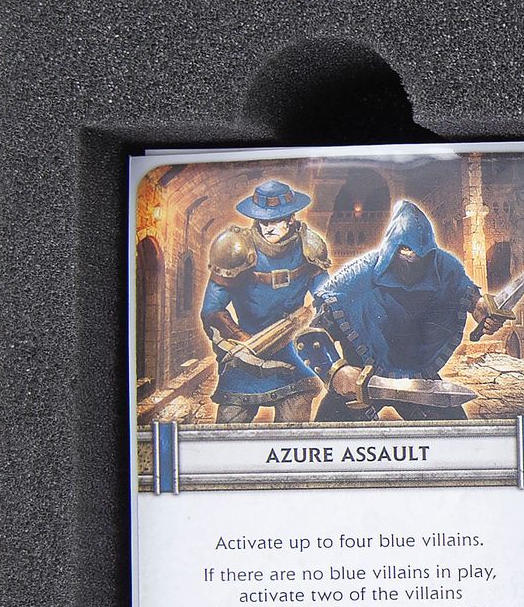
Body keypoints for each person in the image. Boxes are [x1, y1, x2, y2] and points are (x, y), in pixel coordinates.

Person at [298, 199, 508, 422]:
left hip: (418, 380)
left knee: (455, 436)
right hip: (362, 382)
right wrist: (336, 371)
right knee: (327, 435)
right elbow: (310, 337)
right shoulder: (356, 276)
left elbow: (466, 292)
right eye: (406, 250)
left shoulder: (443, 267)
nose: (413, 258)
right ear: (392, 248)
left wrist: (479, 307)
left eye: (422, 254)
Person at [200, 178, 328, 424]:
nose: (268, 227)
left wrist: (314, 324)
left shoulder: (309, 247)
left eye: (276, 220)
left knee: (293, 435)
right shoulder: (235, 247)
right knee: (227, 436)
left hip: (292, 354)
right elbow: (212, 310)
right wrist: (243, 342)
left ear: (290, 219)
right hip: (246, 354)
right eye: (263, 220)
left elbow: (327, 297)